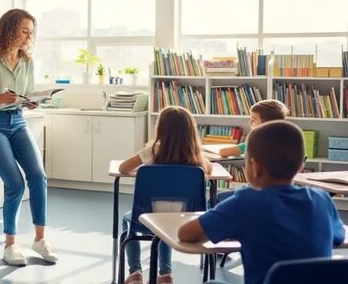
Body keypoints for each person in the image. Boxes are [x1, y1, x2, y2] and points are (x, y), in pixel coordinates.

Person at [178, 121, 345, 284]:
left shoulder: (245, 202)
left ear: (254, 167)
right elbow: (338, 238)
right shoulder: (322, 200)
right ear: (301, 167)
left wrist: (234, 228)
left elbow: (185, 234)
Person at [0, 8, 57, 266]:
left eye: (31, 32)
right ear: (9, 30)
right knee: (15, 184)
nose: (28, 36)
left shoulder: (26, 61)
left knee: (38, 176)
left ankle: (40, 240)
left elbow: (24, 94)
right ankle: (10, 245)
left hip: (17, 120)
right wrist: (0, 98)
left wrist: (31, 101)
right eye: (24, 30)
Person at [119, 106, 212, 284]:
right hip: (185, 221)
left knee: (128, 220)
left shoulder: (152, 152)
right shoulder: (196, 156)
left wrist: (146, 170)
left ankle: (135, 272)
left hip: (147, 218)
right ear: (190, 130)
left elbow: (123, 168)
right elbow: (207, 169)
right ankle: (165, 274)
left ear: (161, 128)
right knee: (166, 223)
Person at [219, 99, 288, 158]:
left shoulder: (257, 142)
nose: (250, 123)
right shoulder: (285, 140)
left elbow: (223, 152)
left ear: (266, 124)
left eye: (253, 120)